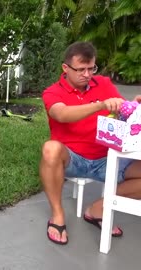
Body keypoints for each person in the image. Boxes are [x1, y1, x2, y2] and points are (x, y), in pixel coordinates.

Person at [40, 41, 141, 245]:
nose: (87, 74)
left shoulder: (103, 83)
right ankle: (58, 215)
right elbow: (61, 114)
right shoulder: (52, 92)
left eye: (91, 68)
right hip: (73, 159)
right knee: (50, 149)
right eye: (81, 69)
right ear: (65, 68)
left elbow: (123, 112)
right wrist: (98, 106)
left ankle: (99, 209)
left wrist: (134, 106)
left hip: (107, 158)